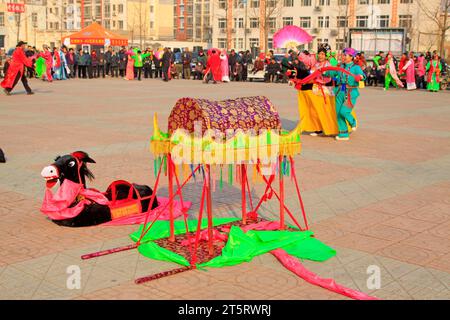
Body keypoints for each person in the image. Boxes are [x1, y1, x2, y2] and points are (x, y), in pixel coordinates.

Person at [323, 48, 365, 141]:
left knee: (344, 111)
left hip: (351, 92)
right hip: (339, 91)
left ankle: (352, 122)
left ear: (351, 57)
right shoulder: (340, 66)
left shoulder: (356, 67)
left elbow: (362, 75)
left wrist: (360, 77)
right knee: (338, 113)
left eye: (345, 55)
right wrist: (323, 72)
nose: (343, 57)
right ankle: (343, 134)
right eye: (343, 55)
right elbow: (332, 72)